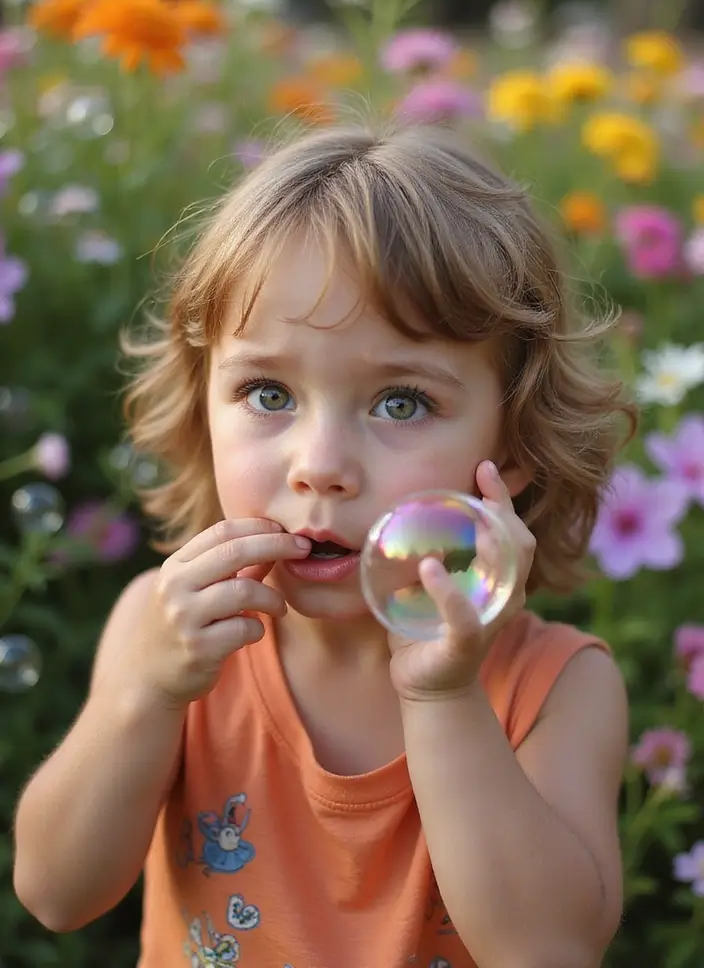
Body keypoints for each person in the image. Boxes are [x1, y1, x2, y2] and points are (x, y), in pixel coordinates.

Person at [13, 123, 633, 968]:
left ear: (514, 446)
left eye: (401, 403)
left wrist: (446, 700)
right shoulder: (168, 638)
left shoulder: (554, 687)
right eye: (268, 391)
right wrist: (147, 695)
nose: (322, 468)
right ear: (204, 407)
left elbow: (549, 951)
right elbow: (56, 891)